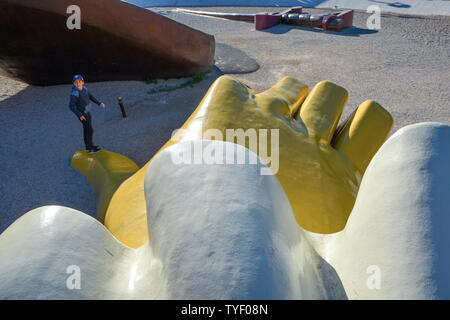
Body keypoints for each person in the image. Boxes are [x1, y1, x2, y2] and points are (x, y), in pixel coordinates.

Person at [68, 75, 105, 153]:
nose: (78, 83)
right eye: (75, 82)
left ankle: (89, 147)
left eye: (79, 82)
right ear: (74, 84)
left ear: (83, 82)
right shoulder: (74, 93)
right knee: (89, 130)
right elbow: (71, 106)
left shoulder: (85, 89)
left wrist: (99, 103)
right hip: (82, 115)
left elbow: (91, 97)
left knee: (87, 130)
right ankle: (90, 148)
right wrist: (79, 114)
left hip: (88, 112)